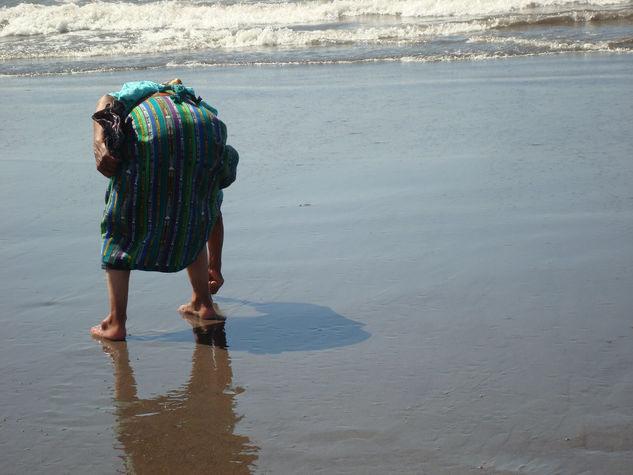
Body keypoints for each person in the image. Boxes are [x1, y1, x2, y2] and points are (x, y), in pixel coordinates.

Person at [91, 79, 238, 341]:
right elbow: (213, 211)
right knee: (193, 213)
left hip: (151, 128)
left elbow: (106, 100)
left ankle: (116, 322)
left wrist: (99, 142)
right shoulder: (200, 105)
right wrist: (215, 266)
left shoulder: (144, 90)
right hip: (206, 132)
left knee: (120, 224)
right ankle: (203, 303)